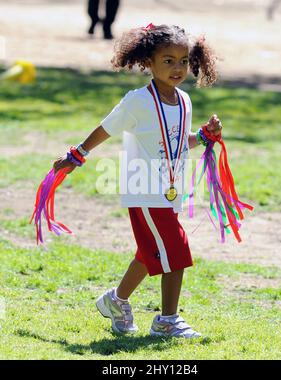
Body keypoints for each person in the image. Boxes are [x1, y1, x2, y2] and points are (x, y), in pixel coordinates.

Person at [53, 24, 222, 338]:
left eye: (183, 60)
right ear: (148, 62)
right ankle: (167, 321)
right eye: (168, 60)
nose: (177, 68)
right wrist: (77, 155)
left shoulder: (184, 100)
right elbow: (106, 128)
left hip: (170, 191)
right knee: (176, 249)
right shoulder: (137, 101)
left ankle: (116, 301)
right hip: (143, 190)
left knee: (150, 253)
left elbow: (174, 142)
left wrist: (202, 136)